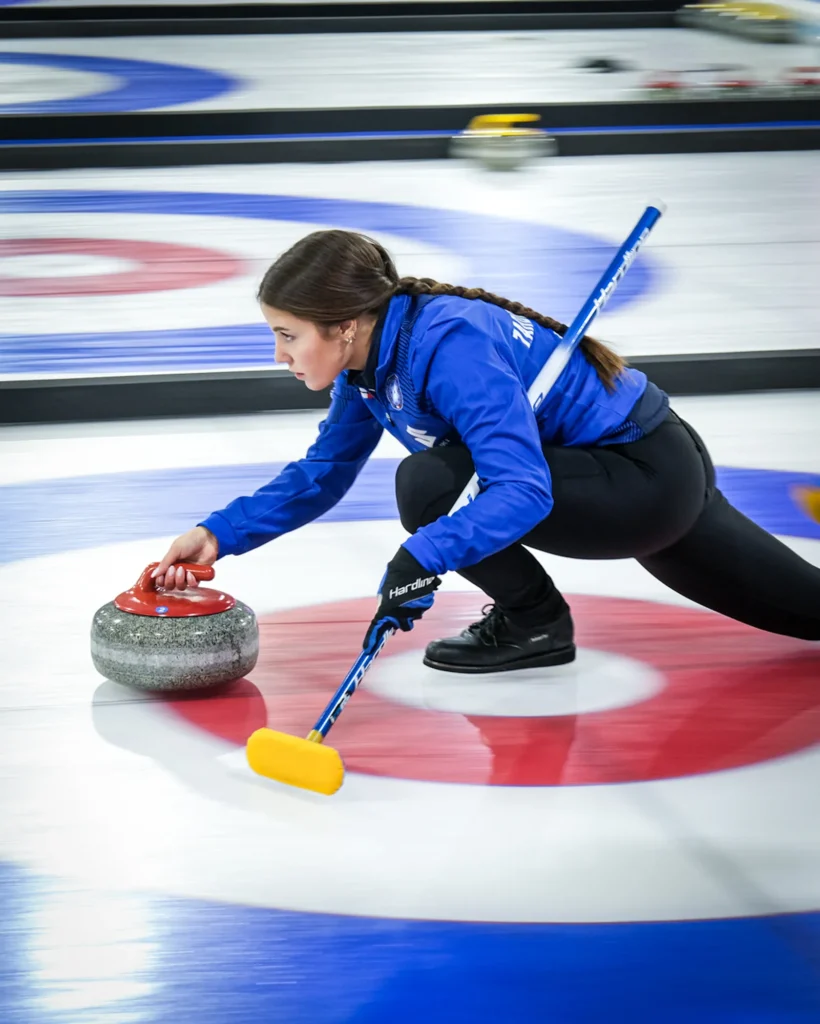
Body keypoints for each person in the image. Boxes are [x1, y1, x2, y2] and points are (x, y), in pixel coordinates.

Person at [152, 229, 820, 673]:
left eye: (287, 335)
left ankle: (535, 624)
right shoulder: (369, 362)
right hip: (629, 479)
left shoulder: (450, 345)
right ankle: (536, 621)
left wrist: (424, 555)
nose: (279, 355)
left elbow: (523, 487)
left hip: (643, 481)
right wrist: (218, 535)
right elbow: (323, 473)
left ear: (344, 326)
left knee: (428, 484)